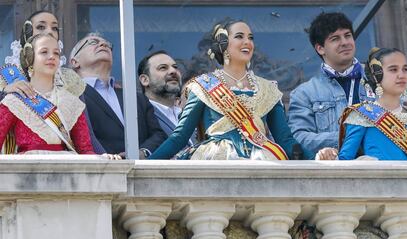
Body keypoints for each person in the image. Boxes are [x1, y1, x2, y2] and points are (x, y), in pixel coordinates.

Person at [149, 19, 313, 160]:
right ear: (223, 44)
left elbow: (285, 140)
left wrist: (316, 159)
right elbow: (179, 138)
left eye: (250, 38)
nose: (247, 42)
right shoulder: (203, 85)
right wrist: (145, 165)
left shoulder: (268, 89)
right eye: (239, 36)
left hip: (262, 160)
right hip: (217, 159)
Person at [0, 10, 105, 154]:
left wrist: (105, 160)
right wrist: (4, 93)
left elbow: (87, 142)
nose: (49, 32)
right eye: (41, 27)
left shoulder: (70, 81)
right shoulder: (6, 78)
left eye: (54, 28)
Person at [287, 12, 375, 156]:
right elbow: (299, 138)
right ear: (320, 48)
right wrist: (349, 137)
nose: (345, 42)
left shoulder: (380, 78)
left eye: (347, 35)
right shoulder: (304, 93)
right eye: (335, 39)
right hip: (333, 173)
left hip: (382, 166)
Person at [70, 33, 167, 159]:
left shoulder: (136, 98)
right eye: (93, 42)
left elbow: (158, 135)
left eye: (108, 44)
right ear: (75, 62)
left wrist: (142, 152)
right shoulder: (71, 96)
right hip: (101, 172)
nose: (103, 44)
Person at [338, 47, 407, 160]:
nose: (401, 75)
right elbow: (344, 161)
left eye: (405, 69)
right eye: (393, 69)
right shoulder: (362, 115)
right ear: (376, 75)